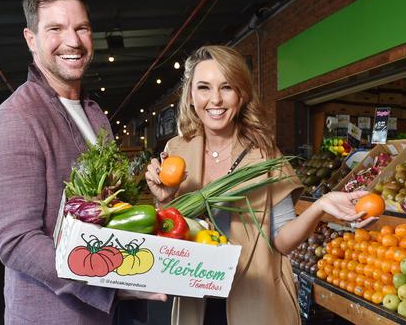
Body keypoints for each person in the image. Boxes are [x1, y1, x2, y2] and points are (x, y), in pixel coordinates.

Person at [0, 0, 165, 325]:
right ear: (30, 40)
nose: (73, 41)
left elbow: (110, 208)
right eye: (55, 28)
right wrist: (113, 283)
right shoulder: (16, 121)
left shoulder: (94, 114)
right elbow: (18, 243)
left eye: (82, 28)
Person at [144, 45, 376, 325]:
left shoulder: (263, 153)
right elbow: (168, 236)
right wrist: (164, 199)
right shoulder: (177, 150)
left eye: (227, 87)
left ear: (241, 95)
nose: (215, 99)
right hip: (197, 303)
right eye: (204, 87)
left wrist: (319, 207)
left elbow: (281, 240)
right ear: (191, 96)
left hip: (255, 301)